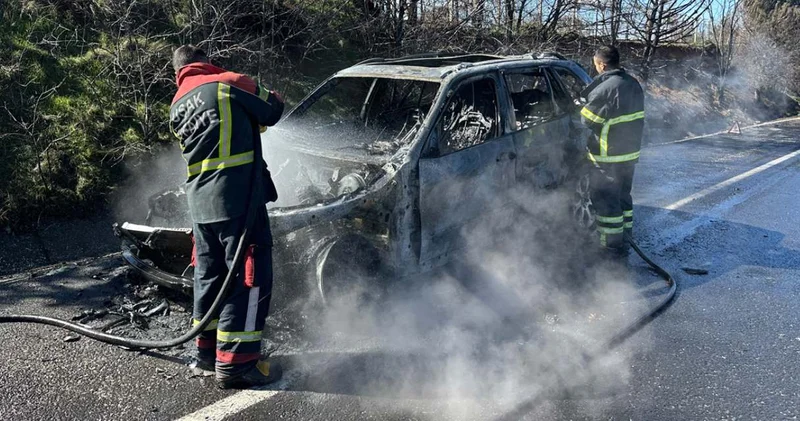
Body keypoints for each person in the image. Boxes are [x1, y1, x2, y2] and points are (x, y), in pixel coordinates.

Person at [169, 45, 284, 388]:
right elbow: (274, 109)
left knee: (210, 276)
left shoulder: (176, 105)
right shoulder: (228, 82)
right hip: (238, 200)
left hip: (200, 207)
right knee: (249, 276)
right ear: (207, 62)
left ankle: (206, 353)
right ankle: (239, 363)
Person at [580, 45, 645, 255]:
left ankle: (609, 245)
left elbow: (587, 120)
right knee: (623, 197)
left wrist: (579, 106)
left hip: (608, 157)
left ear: (602, 64)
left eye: (596, 65)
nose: (596, 68)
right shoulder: (633, 84)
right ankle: (626, 237)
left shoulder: (606, 88)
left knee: (606, 202)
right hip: (629, 155)